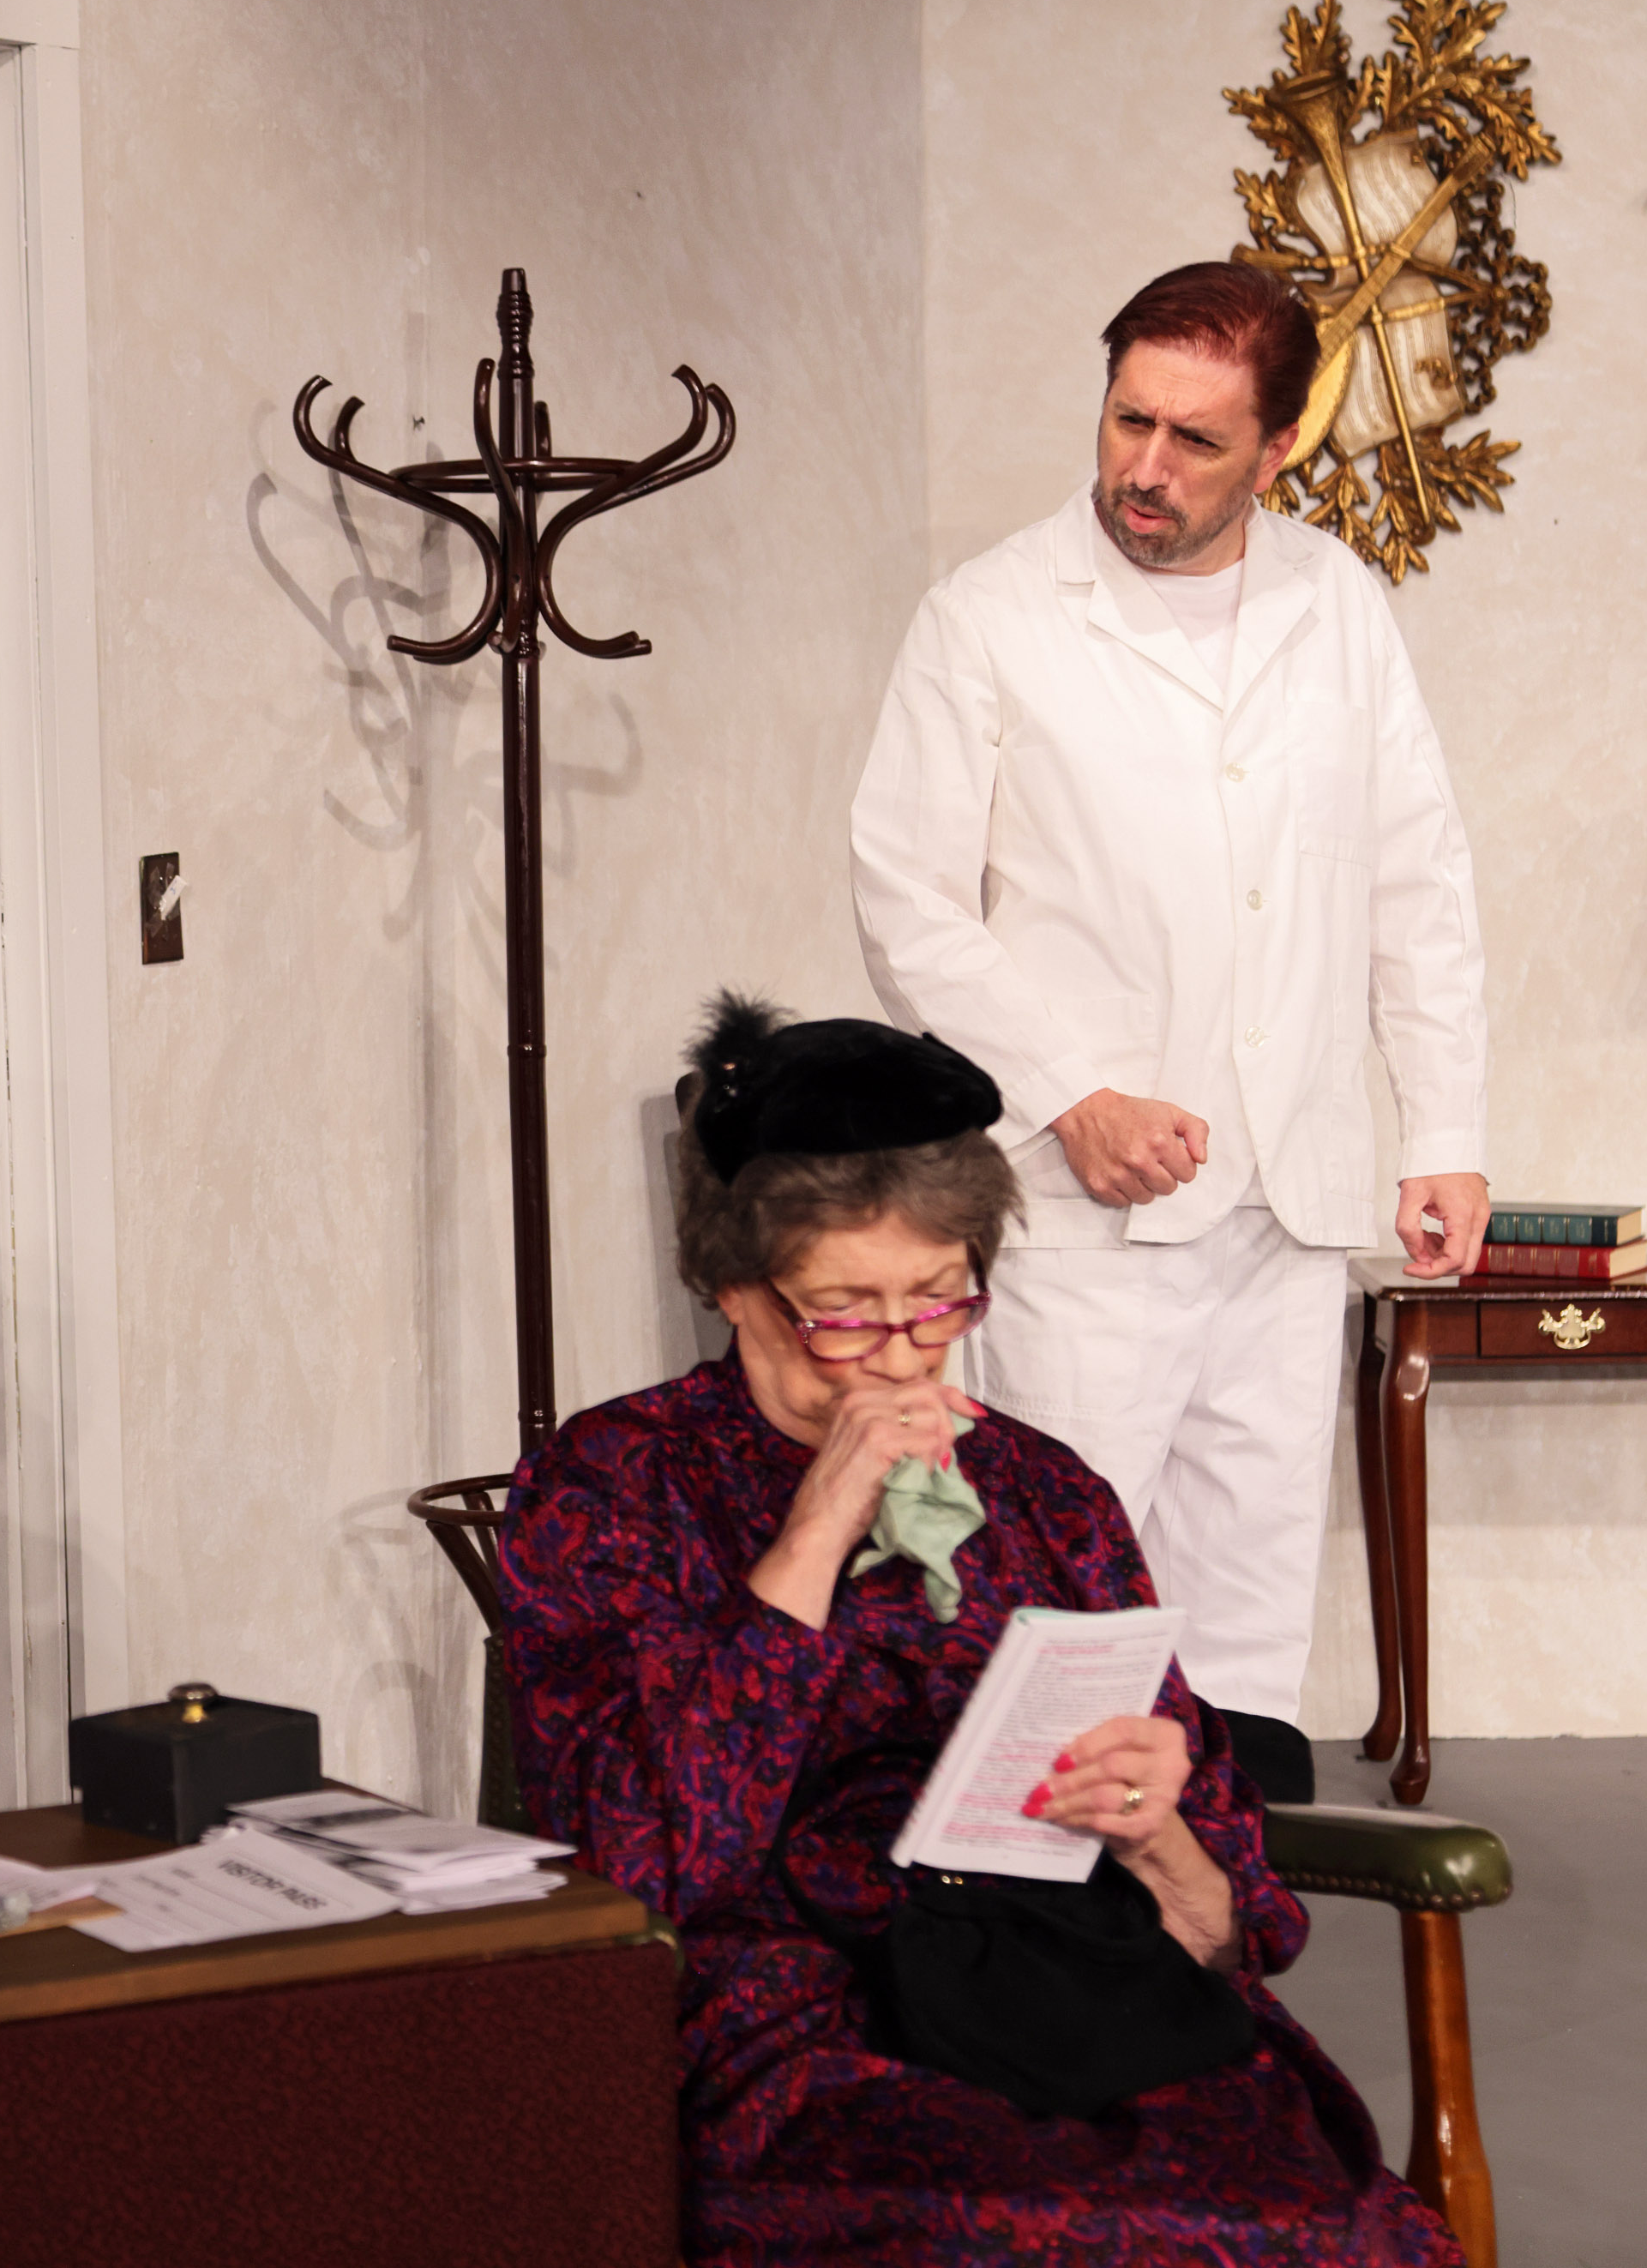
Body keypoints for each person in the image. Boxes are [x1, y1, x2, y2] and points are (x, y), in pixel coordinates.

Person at [500, 996, 1458, 2265]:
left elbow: (1234, 1927)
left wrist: (1160, 1835)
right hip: (796, 2012)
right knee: (1041, 2229)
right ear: (731, 1284)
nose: (897, 1360)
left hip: (1071, 1982)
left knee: (1324, 2227)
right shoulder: (616, 1479)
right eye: (843, 1312)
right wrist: (814, 1530)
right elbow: (644, 1861)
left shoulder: (1042, 1489)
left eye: (939, 1302)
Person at [849, 261, 1489, 1790]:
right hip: (1088, 1214)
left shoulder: (1339, 604)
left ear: (1279, 448)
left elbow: (1416, 875)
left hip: (1289, 1199)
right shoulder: (993, 615)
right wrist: (1074, 1093)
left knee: (1246, 1631)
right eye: (1129, 419)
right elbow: (906, 898)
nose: (1147, 465)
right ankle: (1034, 1916)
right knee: (1067, 1608)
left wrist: (1446, 1130)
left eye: (1197, 440)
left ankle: (1221, 1917)